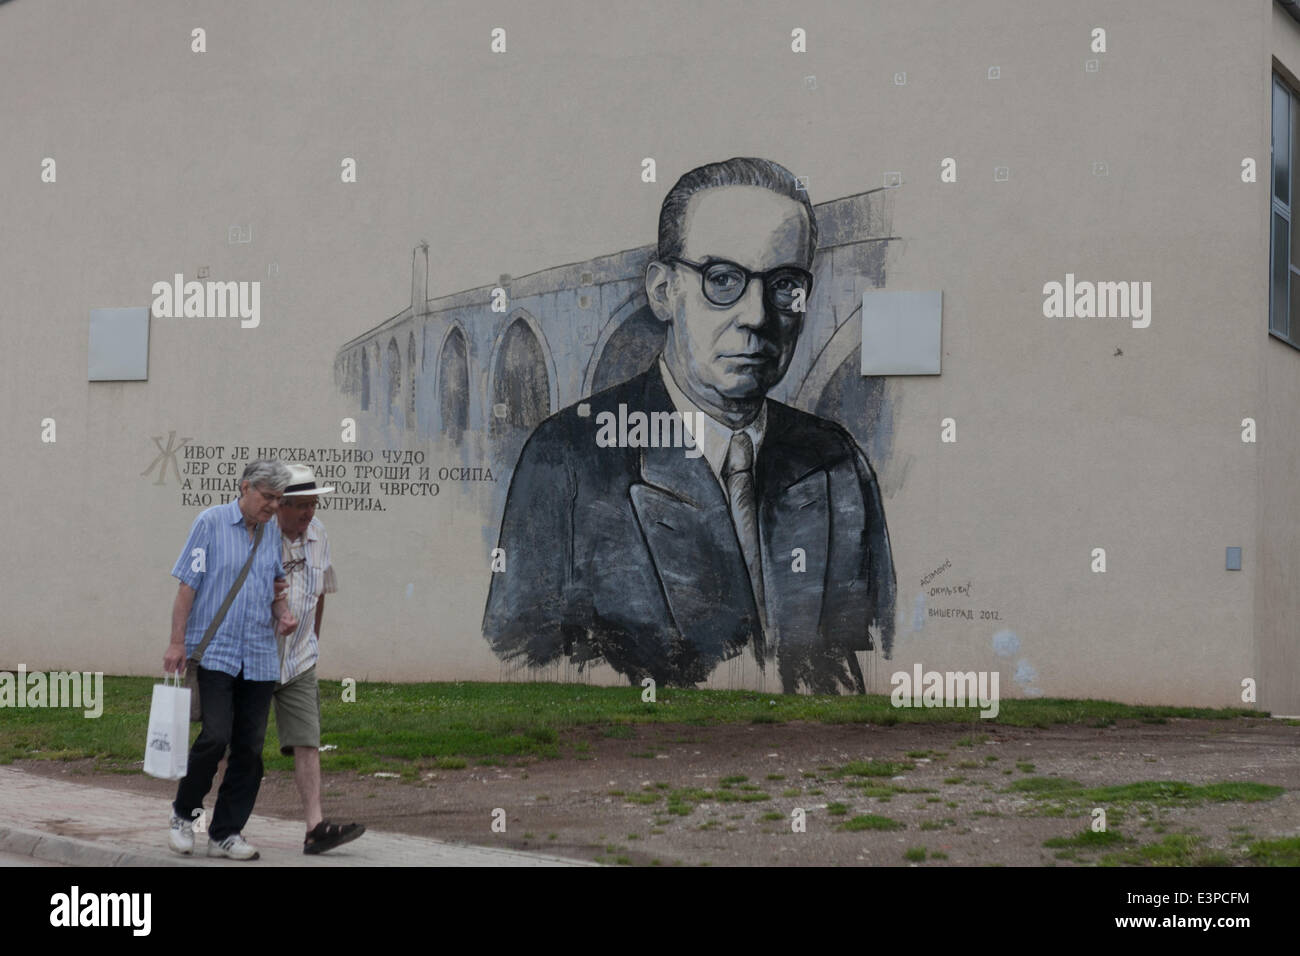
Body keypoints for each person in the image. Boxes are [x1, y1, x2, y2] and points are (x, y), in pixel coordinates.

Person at [483, 157, 896, 694]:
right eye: (722, 279)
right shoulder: (567, 460)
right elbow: (520, 666)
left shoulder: (835, 462)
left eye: (784, 285)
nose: (757, 315)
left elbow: (874, 655)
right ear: (662, 291)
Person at [164, 459, 298, 860]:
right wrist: (176, 642)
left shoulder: (271, 533)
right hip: (216, 653)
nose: (273, 505)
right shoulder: (210, 523)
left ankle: (226, 831)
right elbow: (188, 586)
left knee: (250, 749)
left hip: (258, 656)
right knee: (215, 737)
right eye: (267, 497)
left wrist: (284, 613)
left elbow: (274, 585)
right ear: (245, 488)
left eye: (278, 499)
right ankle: (183, 815)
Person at [274, 464, 365, 854]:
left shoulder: (319, 533)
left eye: (313, 504)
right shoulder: (261, 536)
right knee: (234, 746)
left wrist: (314, 639)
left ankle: (315, 827)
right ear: (280, 506)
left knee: (307, 742)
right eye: (302, 506)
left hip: (299, 659)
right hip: (256, 658)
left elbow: (321, 590)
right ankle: (218, 822)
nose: (310, 513)